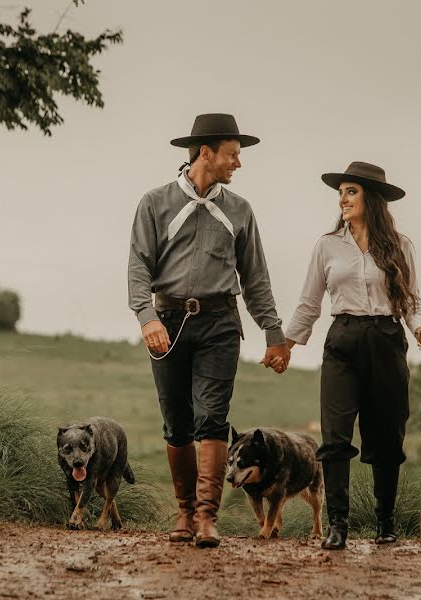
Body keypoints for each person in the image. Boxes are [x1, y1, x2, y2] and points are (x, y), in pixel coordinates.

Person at [128, 113, 291, 548]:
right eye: (233, 155)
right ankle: (182, 512)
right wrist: (148, 319)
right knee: (176, 423)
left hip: (220, 322)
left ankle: (205, 517)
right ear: (207, 153)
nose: (238, 163)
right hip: (168, 321)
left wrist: (274, 334)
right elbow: (138, 267)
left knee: (213, 418)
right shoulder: (154, 203)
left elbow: (255, 278)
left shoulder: (240, 210)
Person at [284, 161, 421, 550]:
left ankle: (386, 523)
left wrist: (420, 329)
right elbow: (308, 302)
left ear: (373, 198)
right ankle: (338, 526)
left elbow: (412, 300)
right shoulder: (327, 245)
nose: (343, 199)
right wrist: (285, 344)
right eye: (341, 192)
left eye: (351, 191)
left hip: (387, 339)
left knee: (387, 435)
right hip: (343, 341)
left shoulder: (401, 246)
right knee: (334, 436)